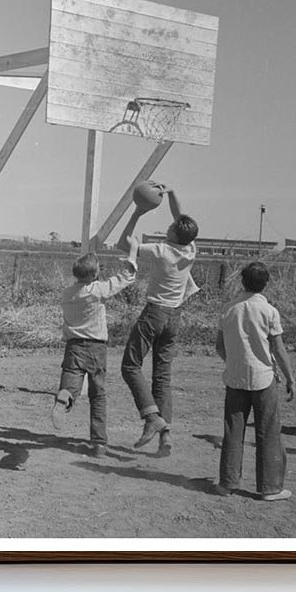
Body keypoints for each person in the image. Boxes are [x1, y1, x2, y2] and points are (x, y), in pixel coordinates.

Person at [115, 182, 199, 454]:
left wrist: (138, 212)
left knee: (130, 366)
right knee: (162, 377)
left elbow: (121, 243)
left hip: (154, 313)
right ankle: (166, 435)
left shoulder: (160, 250)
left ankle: (152, 417)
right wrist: (173, 192)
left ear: (173, 233)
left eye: (171, 227)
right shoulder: (189, 250)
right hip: (174, 317)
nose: (168, 226)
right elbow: (181, 219)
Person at [212, 261, 295, 501]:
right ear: (266, 284)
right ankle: (270, 488)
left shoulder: (229, 309)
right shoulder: (269, 311)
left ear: (242, 281)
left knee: (232, 432)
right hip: (263, 378)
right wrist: (290, 378)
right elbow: (278, 350)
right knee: (268, 432)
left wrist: (234, 362)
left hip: (235, 378)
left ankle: (227, 484)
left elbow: (219, 346)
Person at [51, 237, 140, 457]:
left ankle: (64, 397)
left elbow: (86, 283)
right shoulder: (97, 290)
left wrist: (93, 273)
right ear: (93, 275)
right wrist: (132, 255)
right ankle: (99, 443)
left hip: (73, 346)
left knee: (71, 381)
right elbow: (124, 278)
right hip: (96, 347)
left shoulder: (67, 294)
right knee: (98, 394)